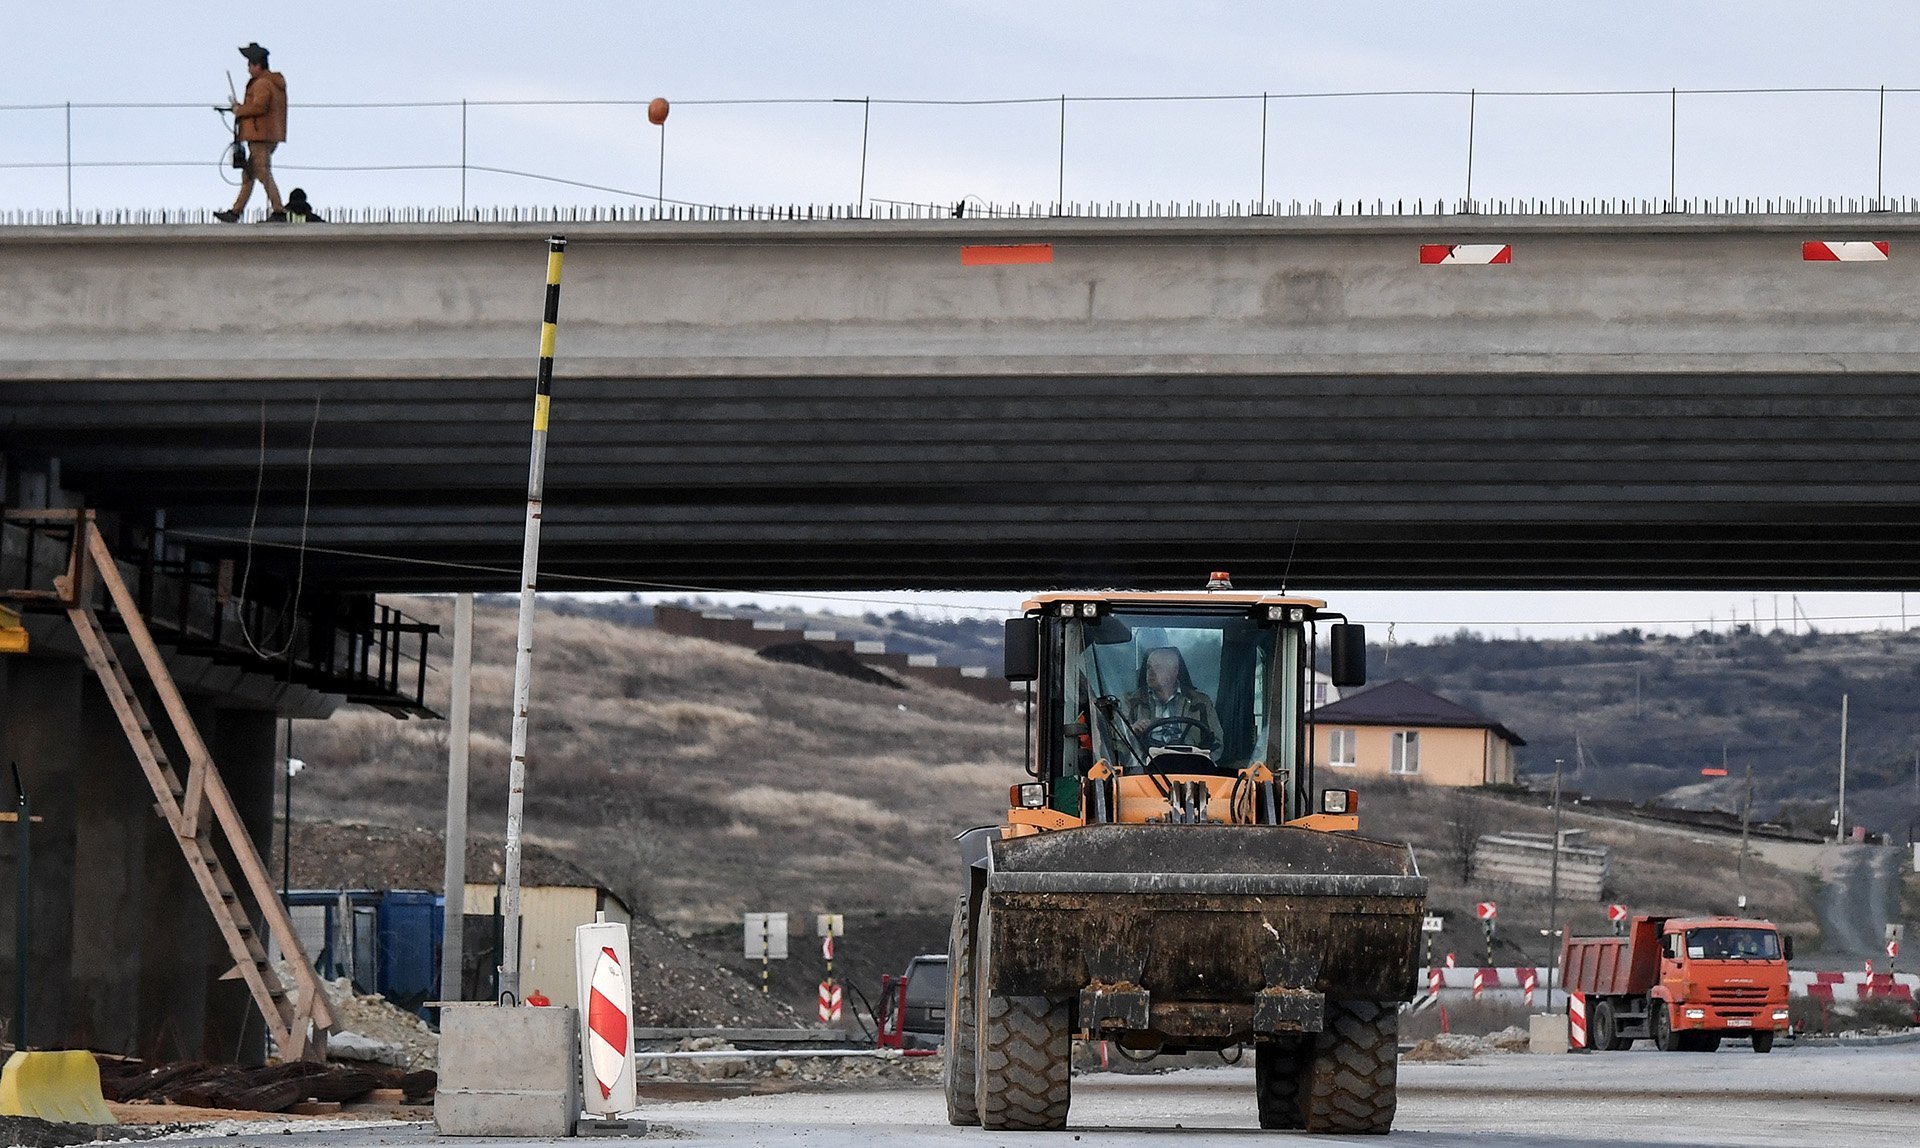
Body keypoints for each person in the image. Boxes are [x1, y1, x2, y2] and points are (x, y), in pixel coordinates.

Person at [214, 43, 287, 222]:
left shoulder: (262, 83)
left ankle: (279, 211)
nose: (247, 69)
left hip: (260, 136)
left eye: (249, 65)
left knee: (262, 171)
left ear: (256, 65)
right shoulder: (270, 82)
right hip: (264, 134)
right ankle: (235, 212)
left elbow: (259, 107)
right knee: (248, 174)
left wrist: (239, 110)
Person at [1122, 646, 1224, 751]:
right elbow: (1116, 745)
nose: (1151, 672)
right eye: (1148, 667)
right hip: (1144, 766)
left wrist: (1201, 761)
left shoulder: (1200, 703)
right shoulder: (1131, 702)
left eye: (1158, 667)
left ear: (1175, 671)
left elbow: (1216, 743)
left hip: (1191, 765)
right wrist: (1131, 733)